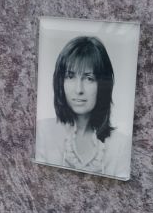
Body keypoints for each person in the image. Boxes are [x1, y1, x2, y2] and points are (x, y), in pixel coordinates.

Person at [35, 36, 131, 179]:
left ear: (103, 85)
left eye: (89, 78)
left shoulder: (121, 145)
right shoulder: (42, 132)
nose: (79, 89)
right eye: (70, 76)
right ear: (60, 82)